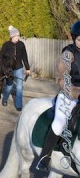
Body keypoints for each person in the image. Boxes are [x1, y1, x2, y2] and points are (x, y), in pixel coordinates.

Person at [36, 21, 80, 171]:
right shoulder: (68, 54)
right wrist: (75, 91)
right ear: (74, 39)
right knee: (59, 122)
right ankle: (44, 156)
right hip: (68, 96)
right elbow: (61, 79)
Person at [0, 25, 30, 111]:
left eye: (18, 35)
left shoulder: (21, 44)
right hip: (9, 69)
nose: (18, 37)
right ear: (12, 36)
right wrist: (3, 68)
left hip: (19, 68)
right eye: (17, 36)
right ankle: (5, 99)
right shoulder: (6, 45)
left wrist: (27, 68)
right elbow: (1, 57)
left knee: (19, 87)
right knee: (9, 86)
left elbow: (25, 56)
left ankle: (19, 105)